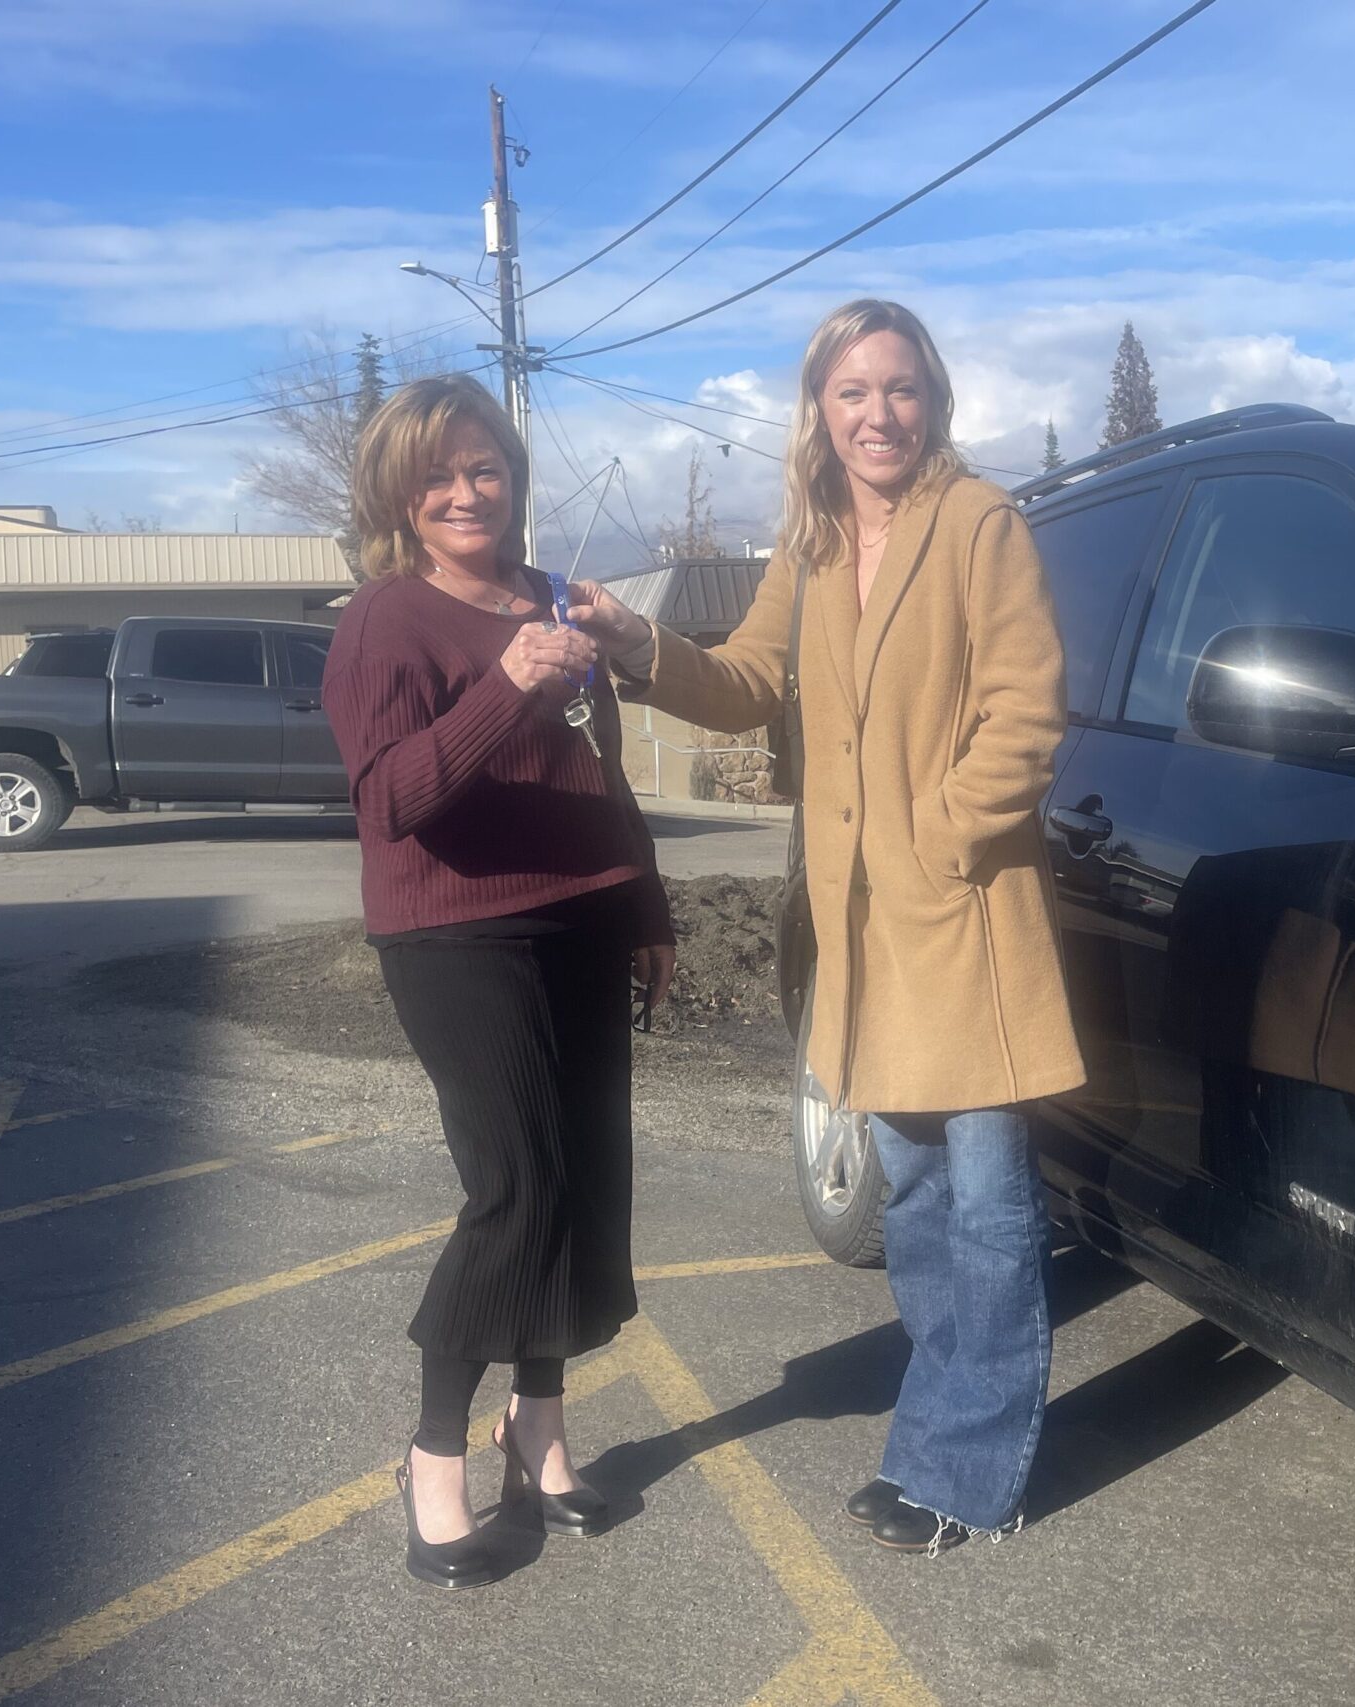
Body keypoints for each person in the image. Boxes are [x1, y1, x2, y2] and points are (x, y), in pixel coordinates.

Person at [572, 299, 1081, 1553]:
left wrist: (944, 837)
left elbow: (1026, 708)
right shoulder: (805, 547)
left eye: (898, 388)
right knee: (908, 1200)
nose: (877, 414)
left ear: (934, 399)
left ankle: (968, 1472)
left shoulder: (979, 524)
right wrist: (640, 642)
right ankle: (939, 1433)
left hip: (960, 914)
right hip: (861, 926)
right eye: (852, 393)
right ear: (818, 412)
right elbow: (744, 685)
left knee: (989, 1207)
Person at [324, 374, 677, 1590]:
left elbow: (598, 776)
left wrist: (646, 911)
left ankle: (542, 1435)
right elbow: (390, 802)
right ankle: (433, 1459)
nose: (466, 491)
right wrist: (504, 685)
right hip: (460, 938)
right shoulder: (386, 619)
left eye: (484, 467)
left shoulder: (552, 598)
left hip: (583, 925)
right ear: (398, 495)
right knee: (515, 1191)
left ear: (515, 479)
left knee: (585, 1188)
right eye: (438, 474)